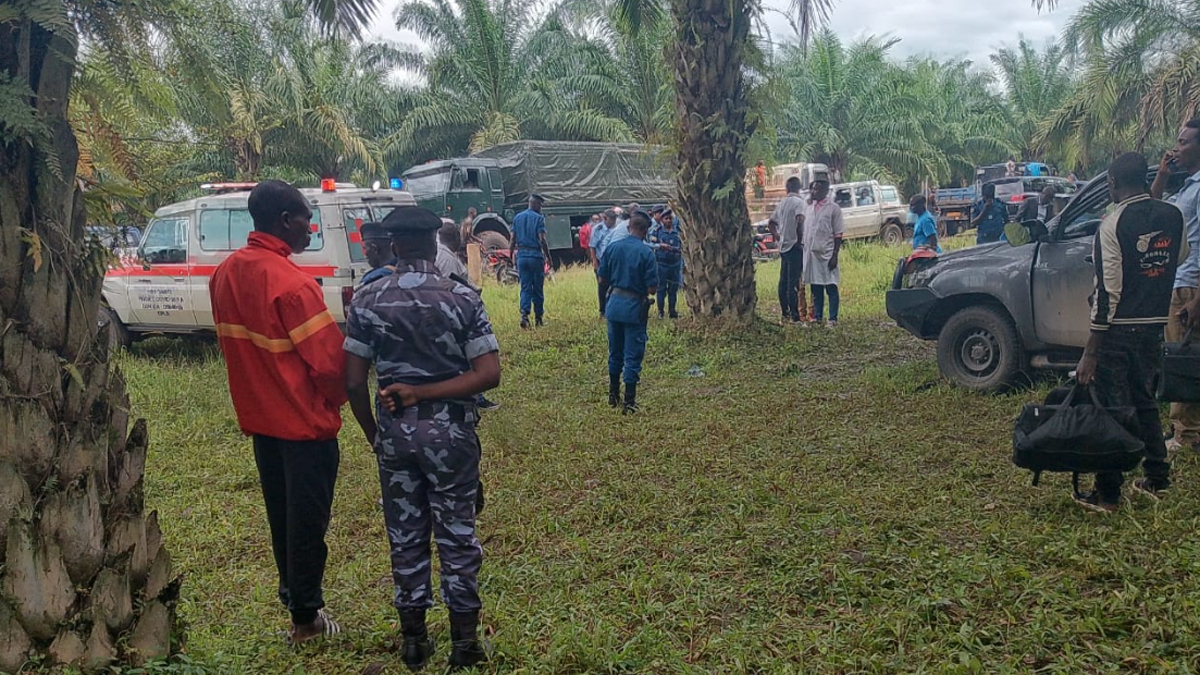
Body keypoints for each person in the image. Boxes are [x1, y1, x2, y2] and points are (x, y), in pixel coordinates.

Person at [343, 206, 500, 672]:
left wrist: (376, 436)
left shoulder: (368, 301)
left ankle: (415, 642)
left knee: (405, 536)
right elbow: (488, 374)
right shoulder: (461, 298)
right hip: (451, 436)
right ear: (435, 243)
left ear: (392, 245)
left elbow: (352, 382)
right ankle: (465, 644)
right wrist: (428, 392)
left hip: (394, 438)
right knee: (457, 535)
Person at [209, 180, 346, 644]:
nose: (310, 228)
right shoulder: (292, 284)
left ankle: (294, 598)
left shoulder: (225, 273)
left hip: (262, 423)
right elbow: (331, 365)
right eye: (307, 218)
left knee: (282, 518)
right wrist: (338, 399)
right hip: (305, 426)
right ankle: (306, 620)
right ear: (286, 220)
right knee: (308, 523)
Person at [1073, 152, 1188, 512]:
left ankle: (1108, 494)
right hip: (1153, 326)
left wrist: (1091, 351)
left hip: (1117, 332)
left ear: (1111, 182)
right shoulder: (1173, 215)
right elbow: (1180, 256)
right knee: (1145, 402)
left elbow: (1109, 292)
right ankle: (1156, 476)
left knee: (1112, 407)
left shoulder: (1111, 225)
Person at [1151, 118, 1200, 453]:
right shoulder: (1186, 187)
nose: (1176, 147)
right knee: (1184, 355)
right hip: (1180, 283)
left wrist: (1197, 300)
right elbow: (1151, 214)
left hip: (1190, 287)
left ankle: (1187, 434)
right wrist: (1162, 176)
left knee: (1184, 359)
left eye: (1184, 142)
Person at [599, 210, 659, 414]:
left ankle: (613, 395)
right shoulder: (646, 253)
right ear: (645, 231)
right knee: (632, 355)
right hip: (634, 308)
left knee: (615, 352)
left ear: (628, 227)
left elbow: (601, 279)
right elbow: (652, 288)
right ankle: (629, 402)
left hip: (614, 305)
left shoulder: (613, 248)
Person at [801, 177, 845, 327]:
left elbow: (838, 234)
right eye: (813, 189)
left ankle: (833, 318)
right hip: (811, 254)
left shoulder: (833, 209)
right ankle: (817, 317)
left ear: (825, 191)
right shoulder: (809, 208)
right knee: (815, 286)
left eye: (817, 189)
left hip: (826, 253)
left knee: (830, 286)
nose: (814, 192)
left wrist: (835, 255)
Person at [769, 176, 808, 324]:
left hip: (784, 246)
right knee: (793, 282)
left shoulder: (782, 203)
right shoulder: (799, 203)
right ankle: (795, 316)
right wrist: (799, 240)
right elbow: (800, 220)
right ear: (799, 188)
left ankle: (785, 313)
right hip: (794, 246)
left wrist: (778, 237)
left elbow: (771, 223)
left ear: (787, 188)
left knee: (783, 281)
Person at [510, 194, 551, 328]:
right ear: (535, 204)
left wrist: (511, 255)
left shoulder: (517, 218)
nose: (540, 208)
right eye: (540, 205)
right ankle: (538, 319)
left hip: (521, 256)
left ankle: (524, 315)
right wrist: (548, 256)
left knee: (525, 287)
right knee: (537, 288)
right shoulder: (539, 218)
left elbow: (512, 239)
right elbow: (542, 239)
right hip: (535, 256)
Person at [650, 210, 682, 319]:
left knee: (673, 288)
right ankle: (660, 311)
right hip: (662, 264)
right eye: (666, 219)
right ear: (662, 220)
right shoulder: (657, 231)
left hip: (675, 264)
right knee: (661, 289)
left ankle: (672, 311)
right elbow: (652, 244)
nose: (668, 221)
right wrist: (660, 245)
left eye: (670, 218)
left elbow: (683, 245)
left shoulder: (678, 232)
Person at [591, 210, 618, 316]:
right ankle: (603, 310)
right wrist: (595, 262)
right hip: (601, 262)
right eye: (612, 220)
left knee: (614, 286)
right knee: (602, 286)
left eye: (615, 220)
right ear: (605, 219)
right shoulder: (598, 229)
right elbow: (592, 246)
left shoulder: (616, 229)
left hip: (613, 262)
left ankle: (612, 308)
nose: (614, 222)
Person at [359, 221, 397, 287]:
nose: (364, 254)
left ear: (375, 249)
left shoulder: (373, 278)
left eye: (365, 248)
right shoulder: (408, 270)